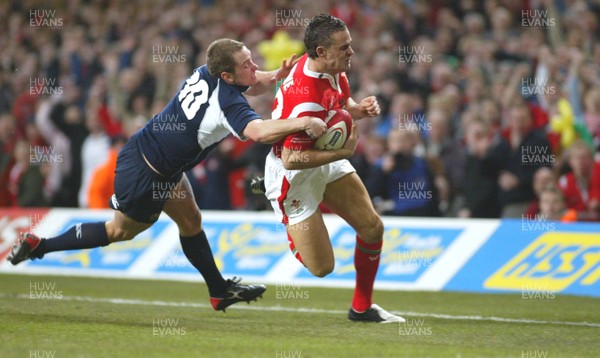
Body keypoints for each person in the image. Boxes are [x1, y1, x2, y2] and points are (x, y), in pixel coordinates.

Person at [8, 38, 327, 312]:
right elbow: (258, 131)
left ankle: (218, 291)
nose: (253, 66)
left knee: (191, 221)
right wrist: (301, 123)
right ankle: (40, 245)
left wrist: (277, 75)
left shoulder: (209, 73)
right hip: (148, 174)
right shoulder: (227, 102)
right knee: (120, 231)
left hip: (153, 156)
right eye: (247, 63)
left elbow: (253, 81)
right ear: (227, 75)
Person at [263, 14, 404, 323]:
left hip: (323, 153)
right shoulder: (306, 102)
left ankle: (362, 308)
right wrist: (343, 151)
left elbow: (338, 106)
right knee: (322, 267)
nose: (351, 53)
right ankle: (279, 204)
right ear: (321, 51)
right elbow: (291, 158)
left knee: (372, 227)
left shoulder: (330, 68)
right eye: (344, 48)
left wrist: (357, 111)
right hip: (293, 177)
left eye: (350, 45)